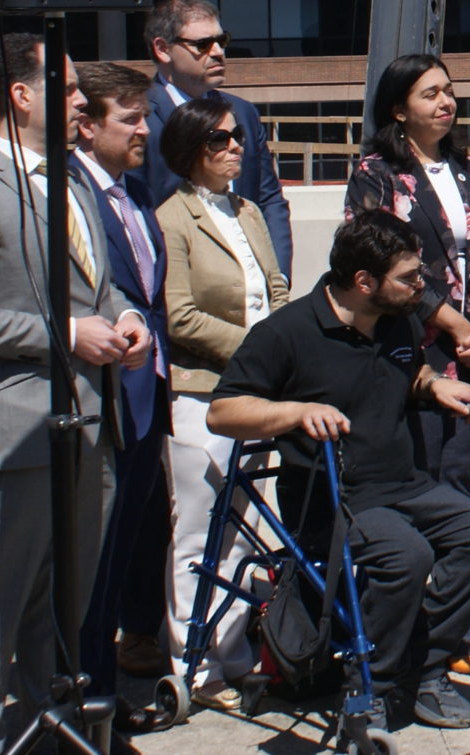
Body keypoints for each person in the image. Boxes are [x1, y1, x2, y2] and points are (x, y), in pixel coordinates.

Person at [0, 34, 152, 755]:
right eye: (67, 87)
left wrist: (125, 317)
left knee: (61, 609)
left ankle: (38, 736)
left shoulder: (76, 184)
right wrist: (68, 334)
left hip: (94, 425)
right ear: (21, 95)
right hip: (22, 429)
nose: (82, 99)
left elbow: (97, 286)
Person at [208, 212, 470, 731]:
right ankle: (374, 685)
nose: (422, 286)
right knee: (406, 555)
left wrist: (432, 383)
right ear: (364, 281)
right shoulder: (287, 332)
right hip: (332, 496)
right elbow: (223, 411)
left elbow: (404, 370)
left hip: (404, 483)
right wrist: (296, 412)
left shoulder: (398, 318)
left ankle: (425, 666)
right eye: (408, 277)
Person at [344, 53, 470, 674]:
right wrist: (454, 322)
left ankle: (457, 629)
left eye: (448, 91)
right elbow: (378, 256)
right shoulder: (375, 173)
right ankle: (405, 629)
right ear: (398, 108)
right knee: (415, 484)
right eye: (429, 94)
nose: (445, 103)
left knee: (459, 483)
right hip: (412, 349)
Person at [154, 96, 291, 712]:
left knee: (244, 531)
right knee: (199, 530)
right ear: (191, 150)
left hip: (258, 392)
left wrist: (283, 347)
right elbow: (179, 315)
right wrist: (258, 350)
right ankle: (196, 666)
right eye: (219, 140)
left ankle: (234, 656)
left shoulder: (247, 210)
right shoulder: (171, 218)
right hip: (201, 394)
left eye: (236, 138)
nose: (235, 147)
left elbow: (276, 288)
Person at [71, 62, 174, 704]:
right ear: (88, 125)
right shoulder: (68, 196)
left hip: (147, 394)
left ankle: (114, 694)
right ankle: (91, 701)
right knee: (98, 560)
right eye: (130, 119)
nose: (144, 131)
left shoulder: (134, 191)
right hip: (102, 401)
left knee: (134, 542)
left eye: (145, 117)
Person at [139, 0, 293, 279]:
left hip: (254, 283)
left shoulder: (243, 113)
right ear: (162, 49)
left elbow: (269, 199)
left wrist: (278, 276)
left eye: (222, 41)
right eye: (203, 44)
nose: (218, 52)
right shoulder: (139, 119)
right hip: (179, 285)